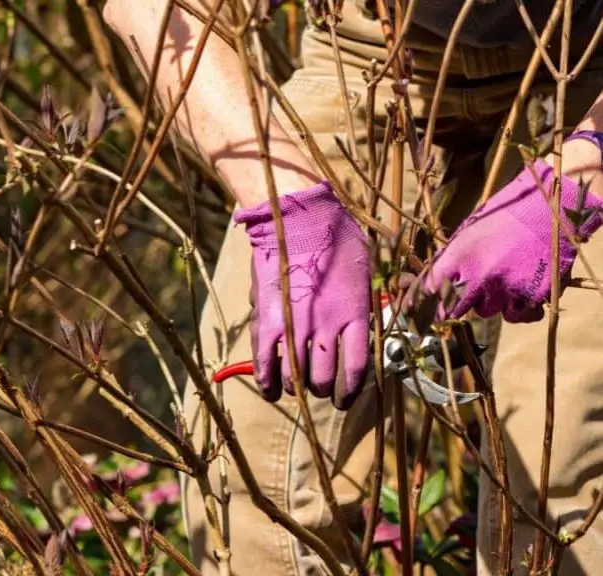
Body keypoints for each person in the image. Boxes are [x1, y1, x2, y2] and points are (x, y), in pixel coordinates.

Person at [101, 1, 603, 573]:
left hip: (590, 58)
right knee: (244, 470)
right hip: (372, 52)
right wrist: (288, 204)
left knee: (559, 466)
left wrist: (580, 180)